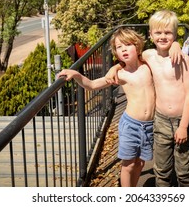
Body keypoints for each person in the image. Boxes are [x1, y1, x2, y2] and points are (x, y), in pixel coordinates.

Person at [106, 10, 189, 187]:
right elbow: (130, 59)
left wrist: (184, 126)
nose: (163, 36)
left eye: (168, 33)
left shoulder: (183, 59)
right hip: (160, 120)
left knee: (184, 171)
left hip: (182, 121)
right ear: (151, 34)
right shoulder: (148, 55)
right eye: (158, 32)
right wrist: (114, 68)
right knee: (162, 170)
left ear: (175, 34)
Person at [57, 28, 156, 187]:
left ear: (137, 46)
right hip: (131, 125)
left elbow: (164, 52)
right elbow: (93, 85)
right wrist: (75, 74)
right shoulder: (120, 74)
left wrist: (176, 47)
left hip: (149, 126)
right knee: (129, 164)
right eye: (119, 47)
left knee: (140, 163)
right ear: (115, 53)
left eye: (128, 44)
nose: (123, 49)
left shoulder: (149, 64)